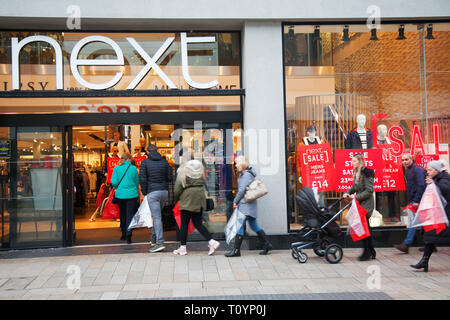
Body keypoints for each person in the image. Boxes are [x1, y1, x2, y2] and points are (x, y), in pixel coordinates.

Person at [225, 156, 273, 257]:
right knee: (254, 225)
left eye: (237, 163)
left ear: (242, 164)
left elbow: (241, 190)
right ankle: (267, 244)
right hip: (249, 204)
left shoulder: (245, 175)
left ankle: (236, 251)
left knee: (239, 226)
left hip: (245, 204)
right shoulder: (246, 173)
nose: (236, 165)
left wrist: (235, 201)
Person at [172, 159, 220, 256]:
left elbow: (177, 190)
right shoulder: (200, 173)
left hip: (187, 200)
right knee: (198, 223)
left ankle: (183, 248)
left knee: (184, 224)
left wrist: (179, 197)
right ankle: (211, 242)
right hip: (199, 198)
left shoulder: (182, 173)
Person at [411, 160, 450, 272]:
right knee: (430, 238)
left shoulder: (444, 178)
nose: (427, 172)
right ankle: (424, 261)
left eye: (430, 170)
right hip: (437, 215)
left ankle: (424, 261)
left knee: (432, 237)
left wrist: (434, 184)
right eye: (427, 169)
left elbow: (445, 188)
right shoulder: (435, 179)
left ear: (437, 170)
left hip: (444, 215)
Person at [139, 144, 173, 253]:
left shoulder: (145, 163)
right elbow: (169, 178)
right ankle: (153, 239)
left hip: (152, 192)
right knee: (157, 216)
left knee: (157, 217)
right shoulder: (164, 162)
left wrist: (145, 192)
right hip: (163, 191)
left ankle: (159, 242)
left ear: (148, 152)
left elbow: (142, 179)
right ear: (157, 150)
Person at [343, 153, 376, 261]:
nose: (352, 163)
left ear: (360, 161)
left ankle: (366, 253)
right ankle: (371, 251)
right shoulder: (356, 173)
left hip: (366, 204)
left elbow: (369, 190)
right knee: (366, 228)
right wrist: (347, 192)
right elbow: (355, 187)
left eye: (354, 161)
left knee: (364, 227)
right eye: (352, 161)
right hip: (360, 204)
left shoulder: (366, 173)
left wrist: (356, 198)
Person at [394, 153, 426, 253]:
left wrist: (416, 200)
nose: (404, 162)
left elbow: (421, 185)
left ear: (411, 159)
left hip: (419, 200)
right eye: (402, 160)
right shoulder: (409, 170)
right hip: (415, 200)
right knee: (423, 223)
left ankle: (406, 244)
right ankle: (430, 244)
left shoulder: (417, 170)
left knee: (413, 222)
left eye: (406, 160)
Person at [111, 152, 139, 244]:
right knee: (130, 215)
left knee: (122, 214)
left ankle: (123, 234)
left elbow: (114, 182)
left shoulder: (116, 168)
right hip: (132, 195)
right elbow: (136, 182)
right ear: (129, 159)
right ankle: (129, 234)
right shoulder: (133, 168)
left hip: (120, 195)